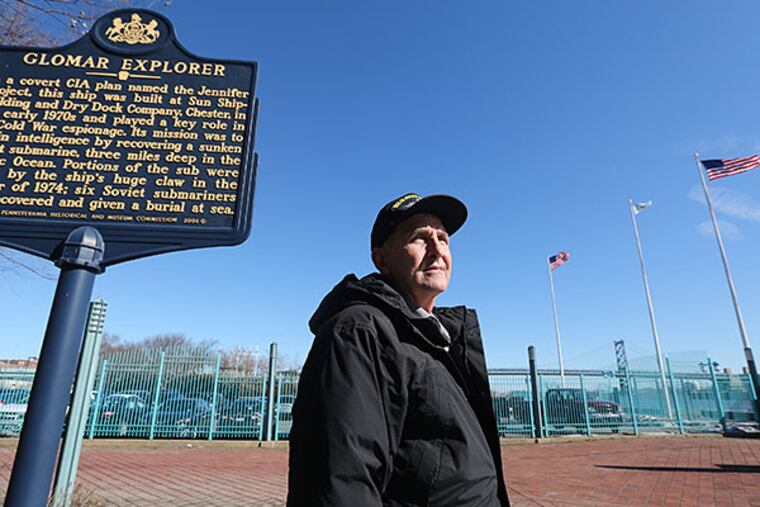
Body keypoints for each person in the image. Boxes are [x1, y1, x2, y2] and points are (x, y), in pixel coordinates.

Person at [287, 193, 509, 506]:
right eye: (420, 237)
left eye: (443, 238)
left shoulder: (436, 338)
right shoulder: (359, 332)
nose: (436, 249)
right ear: (382, 259)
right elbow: (341, 481)